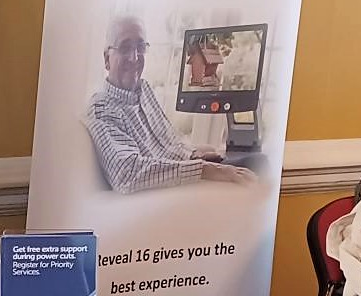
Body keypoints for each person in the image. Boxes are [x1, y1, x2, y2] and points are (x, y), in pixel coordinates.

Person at [85, 16, 256, 193]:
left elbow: (169, 142)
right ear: (107, 58)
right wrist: (205, 170)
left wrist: (194, 155)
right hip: (169, 192)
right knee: (254, 176)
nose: (134, 57)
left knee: (257, 161)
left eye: (140, 47)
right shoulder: (102, 109)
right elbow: (127, 172)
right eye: (125, 47)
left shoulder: (144, 89)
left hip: (185, 174)